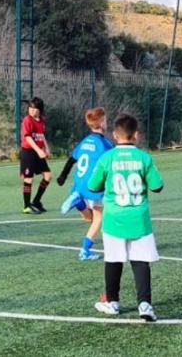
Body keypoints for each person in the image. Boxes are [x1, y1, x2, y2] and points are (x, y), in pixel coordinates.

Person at [87, 114, 164, 322]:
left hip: (114, 219)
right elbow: (157, 186)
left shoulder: (107, 158)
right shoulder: (144, 158)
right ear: (136, 135)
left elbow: (93, 186)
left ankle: (112, 302)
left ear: (114, 135)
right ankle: (145, 304)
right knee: (140, 262)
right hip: (139, 219)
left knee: (113, 260)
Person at [57, 107, 113, 261]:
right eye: (106, 119)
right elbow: (113, 164)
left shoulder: (84, 141)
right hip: (93, 186)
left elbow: (71, 159)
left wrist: (62, 176)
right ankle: (85, 250)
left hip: (79, 185)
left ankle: (79, 203)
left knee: (89, 219)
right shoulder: (105, 145)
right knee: (99, 217)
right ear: (101, 123)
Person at [19, 97, 52, 214]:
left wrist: (46, 148)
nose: (32, 111)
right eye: (30, 108)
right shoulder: (27, 120)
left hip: (38, 151)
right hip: (28, 152)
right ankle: (26, 206)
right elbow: (27, 137)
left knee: (48, 176)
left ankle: (36, 201)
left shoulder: (41, 121)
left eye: (34, 108)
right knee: (28, 178)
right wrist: (38, 150)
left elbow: (41, 135)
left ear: (40, 110)